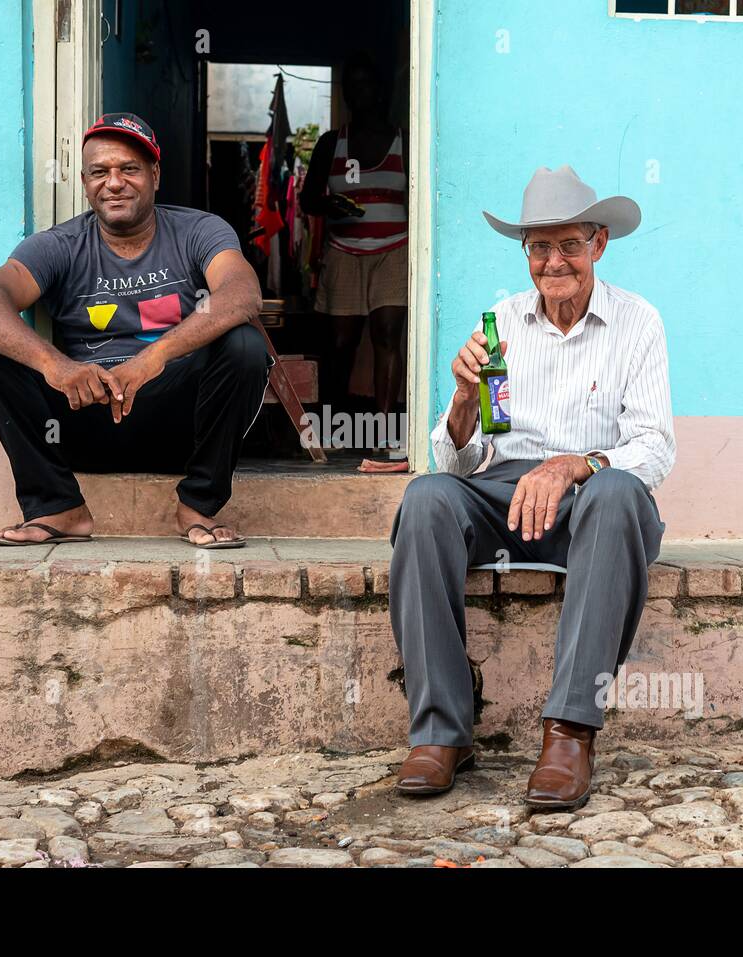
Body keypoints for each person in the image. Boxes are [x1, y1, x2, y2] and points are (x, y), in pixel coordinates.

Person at [389, 166, 677, 808]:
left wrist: (577, 464)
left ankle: (570, 731)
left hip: (592, 502)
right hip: (505, 497)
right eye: (539, 247)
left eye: (569, 245)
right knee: (427, 497)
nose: (554, 262)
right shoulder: (502, 322)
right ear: (526, 252)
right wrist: (463, 399)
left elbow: (654, 447)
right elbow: (464, 458)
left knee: (617, 492)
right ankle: (440, 732)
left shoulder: (638, 323)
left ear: (598, 245)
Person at [0, 113, 272, 549]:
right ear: (85, 181)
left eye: (129, 169)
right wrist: (56, 365)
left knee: (244, 345)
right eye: (100, 172)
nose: (114, 183)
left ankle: (199, 504)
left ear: (155, 174)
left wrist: (153, 358)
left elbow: (241, 294)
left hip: (177, 424)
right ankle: (57, 506)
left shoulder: (198, 230)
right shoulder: (59, 246)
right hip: (83, 420)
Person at [300, 53, 408, 447]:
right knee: (341, 341)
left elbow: (417, 199)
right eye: (353, 87)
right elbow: (309, 199)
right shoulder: (332, 144)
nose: (360, 94)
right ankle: (334, 426)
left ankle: (381, 430)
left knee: (387, 333)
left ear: (381, 92)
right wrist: (331, 205)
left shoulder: (403, 141)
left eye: (367, 85)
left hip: (394, 250)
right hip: (343, 251)